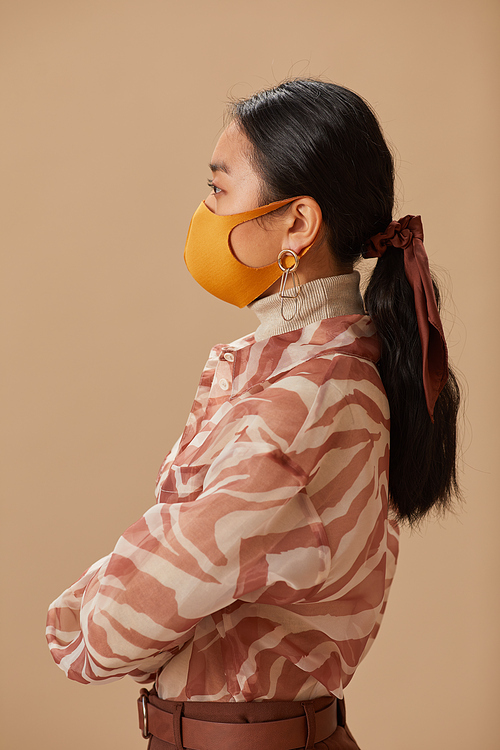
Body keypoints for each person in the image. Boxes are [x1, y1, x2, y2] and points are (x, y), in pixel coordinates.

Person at [46, 79, 460, 749]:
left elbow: (135, 607)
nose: (202, 214)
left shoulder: (310, 392)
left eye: (218, 191)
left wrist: (73, 622)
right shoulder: (296, 368)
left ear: (297, 223)